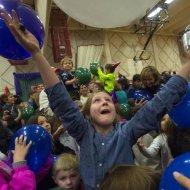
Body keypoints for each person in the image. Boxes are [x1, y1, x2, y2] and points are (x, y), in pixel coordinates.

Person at [2, 9, 190, 190]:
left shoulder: (126, 132)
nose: (105, 102)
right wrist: (37, 54)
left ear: (115, 109)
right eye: (97, 101)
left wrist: (188, 64)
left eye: (107, 100)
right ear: (88, 113)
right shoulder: (83, 132)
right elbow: (61, 101)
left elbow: (159, 103)